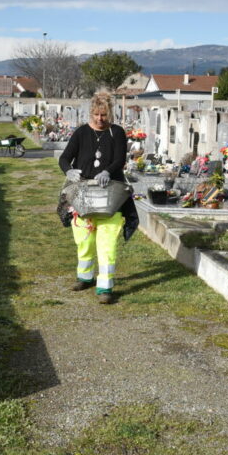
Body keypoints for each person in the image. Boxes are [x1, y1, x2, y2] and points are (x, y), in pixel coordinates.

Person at [58, 92, 138, 304]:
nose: (99, 119)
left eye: (103, 115)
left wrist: (108, 172)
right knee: (84, 241)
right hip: (83, 195)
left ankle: (105, 287)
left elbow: (119, 158)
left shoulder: (117, 132)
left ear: (109, 113)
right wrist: (68, 171)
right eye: (96, 114)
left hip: (110, 195)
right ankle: (85, 277)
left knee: (107, 243)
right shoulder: (81, 133)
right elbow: (65, 157)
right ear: (90, 113)